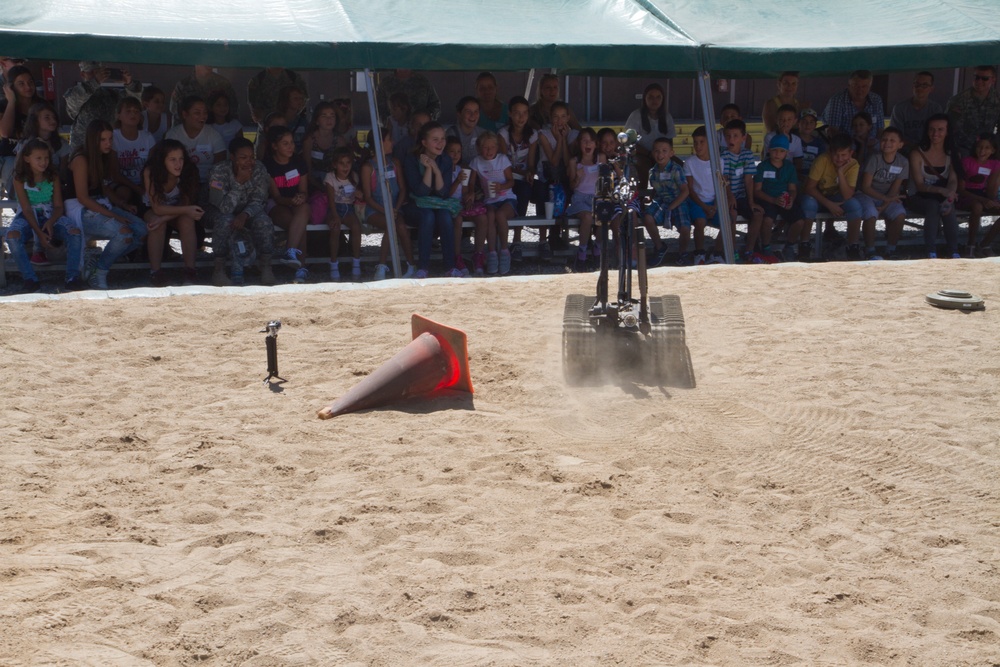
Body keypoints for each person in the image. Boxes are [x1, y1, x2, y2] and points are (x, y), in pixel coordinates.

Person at [64, 119, 148, 290]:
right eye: (103, 140)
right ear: (93, 140)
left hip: (99, 203)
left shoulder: (103, 157)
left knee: (142, 230)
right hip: (79, 208)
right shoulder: (81, 159)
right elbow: (82, 197)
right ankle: (100, 272)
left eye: (110, 139)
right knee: (124, 233)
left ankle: (98, 263)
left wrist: (123, 205)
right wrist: (116, 216)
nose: (108, 143)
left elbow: (102, 187)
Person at [5, 139, 84, 291]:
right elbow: (27, 209)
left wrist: (51, 221)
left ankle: (72, 277)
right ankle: (30, 278)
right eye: (39, 158)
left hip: (50, 214)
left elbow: (59, 206)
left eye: (46, 158)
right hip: (28, 216)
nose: (43, 162)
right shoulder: (19, 178)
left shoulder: (52, 176)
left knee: (75, 233)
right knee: (12, 237)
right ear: (27, 158)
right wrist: (39, 233)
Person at [206, 136, 276, 286]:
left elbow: (259, 200)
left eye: (251, 157)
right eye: (243, 158)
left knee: (263, 222)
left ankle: (265, 266)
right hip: (219, 211)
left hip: (248, 211)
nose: (249, 162)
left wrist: (244, 215)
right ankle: (219, 270)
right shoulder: (219, 171)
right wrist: (238, 183)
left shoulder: (259, 169)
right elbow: (223, 207)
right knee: (225, 220)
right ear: (232, 157)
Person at [402, 121, 463, 279]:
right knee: (427, 216)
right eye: (435, 139)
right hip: (414, 205)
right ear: (424, 142)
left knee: (445, 215)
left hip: (438, 203)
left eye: (442, 138)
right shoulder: (411, 160)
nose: (440, 143)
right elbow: (421, 192)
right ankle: (423, 268)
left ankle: (450, 267)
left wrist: (435, 168)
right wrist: (429, 168)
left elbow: (443, 193)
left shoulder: (446, 160)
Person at [142, 139, 202, 286]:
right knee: (156, 223)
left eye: (181, 159)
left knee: (186, 221)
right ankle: (155, 272)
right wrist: (162, 219)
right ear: (162, 161)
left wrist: (165, 218)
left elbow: (186, 203)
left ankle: (190, 270)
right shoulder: (150, 172)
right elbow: (157, 208)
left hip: (179, 209)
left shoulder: (189, 171)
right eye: (172, 159)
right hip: (150, 208)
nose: (178, 164)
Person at [360, 125, 416, 280]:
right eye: (389, 139)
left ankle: (412, 266)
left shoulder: (395, 163)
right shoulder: (368, 167)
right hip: (375, 209)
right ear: (379, 143)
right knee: (391, 225)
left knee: (402, 227)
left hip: (395, 208)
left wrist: (395, 208)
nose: (392, 142)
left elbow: (403, 189)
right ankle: (381, 266)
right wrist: (387, 211)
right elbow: (368, 197)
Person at [796, 134, 863, 262]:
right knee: (808, 204)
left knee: (854, 205)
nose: (839, 159)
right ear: (830, 152)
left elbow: (848, 195)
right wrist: (829, 204)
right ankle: (804, 245)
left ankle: (853, 247)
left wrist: (840, 172)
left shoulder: (854, 165)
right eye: (836, 155)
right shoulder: (822, 160)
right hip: (818, 196)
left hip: (837, 197)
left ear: (851, 153)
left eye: (843, 155)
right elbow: (809, 188)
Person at [262, 126, 311, 283]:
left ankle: (290, 251)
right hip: (277, 204)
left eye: (291, 142)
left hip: (296, 202)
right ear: (274, 146)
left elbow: (304, 190)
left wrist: (300, 197)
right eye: (285, 143)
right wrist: (291, 200)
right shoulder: (267, 165)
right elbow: (276, 197)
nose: (291, 147)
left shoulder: (298, 162)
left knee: (304, 209)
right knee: (297, 224)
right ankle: (301, 268)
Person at [908, 114, 961, 259]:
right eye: (932, 129)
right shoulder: (917, 153)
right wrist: (941, 190)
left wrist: (949, 198)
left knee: (947, 208)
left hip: (942, 195)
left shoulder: (952, 154)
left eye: (940, 129)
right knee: (932, 205)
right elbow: (919, 185)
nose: (935, 134)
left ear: (947, 132)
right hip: (918, 196)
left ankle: (954, 250)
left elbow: (953, 180)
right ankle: (930, 250)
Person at [855, 126, 909, 260]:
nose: (888, 143)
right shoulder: (874, 159)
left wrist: (884, 205)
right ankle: (870, 250)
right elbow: (865, 186)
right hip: (866, 195)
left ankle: (891, 249)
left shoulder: (903, 162)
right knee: (871, 213)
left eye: (892, 140)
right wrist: (883, 200)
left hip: (887, 197)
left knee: (900, 213)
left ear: (900, 145)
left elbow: (895, 188)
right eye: (884, 139)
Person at [64, 62, 143, 149]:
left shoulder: (111, 94)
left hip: (108, 147)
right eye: (93, 72)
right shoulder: (76, 93)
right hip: (83, 149)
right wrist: (95, 82)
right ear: (83, 74)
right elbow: (75, 99)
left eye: (99, 72)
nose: (97, 75)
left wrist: (129, 84)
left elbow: (134, 102)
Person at [534, 101, 579, 252]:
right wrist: (559, 140)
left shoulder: (573, 134)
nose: (559, 121)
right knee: (543, 196)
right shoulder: (543, 134)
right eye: (555, 117)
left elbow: (567, 161)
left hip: (563, 176)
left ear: (568, 118)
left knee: (566, 193)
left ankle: (556, 234)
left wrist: (564, 139)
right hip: (546, 176)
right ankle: (542, 239)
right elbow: (553, 161)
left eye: (563, 117)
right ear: (550, 118)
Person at [497, 96, 537, 260]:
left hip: (522, 178)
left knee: (526, 190)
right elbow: (502, 162)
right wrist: (523, 173)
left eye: (524, 113)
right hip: (505, 176)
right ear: (510, 114)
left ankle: (517, 239)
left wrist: (529, 172)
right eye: (517, 113)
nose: (521, 117)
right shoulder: (503, 134)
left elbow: (531, 163)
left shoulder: (533, 135)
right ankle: (502, 242)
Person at [471, 131, 517, 275]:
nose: (489, 151)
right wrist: (472, 193)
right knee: (490, 215)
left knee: (500, 215)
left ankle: (504, 250)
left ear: (497, 148)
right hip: (490, 200)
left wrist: (501, 187)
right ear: (479, 148)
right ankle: (491, 252)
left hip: (507, 198)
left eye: (492, 147)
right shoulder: (476, 162)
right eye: (485, 147)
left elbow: (511, 181)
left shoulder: (502, 160)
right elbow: (471, 184)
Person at [750, 134, 799, 263]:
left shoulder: (789, 167)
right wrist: (773, 200)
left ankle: (789, 246)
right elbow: (757, 191)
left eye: (782, 151)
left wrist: (791, 200)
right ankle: (766, 247)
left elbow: (793, 189)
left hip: (784, 199)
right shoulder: (762, 166)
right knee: (767, 220)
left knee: (799, 220)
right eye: (774, 150)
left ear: (787, 153)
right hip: (766, 199)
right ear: (769, 150)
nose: (778, 154)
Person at [444, 136, 486, 276]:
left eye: (458, 152)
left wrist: (469, 197)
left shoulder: (463, 169)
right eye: (452, 151)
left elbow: (465, 190)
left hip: (460, 203)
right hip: (448, 204)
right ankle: (457, 256)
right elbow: (444, 193)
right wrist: (457, 181)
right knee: (458, 220)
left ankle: (478, 254)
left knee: (482, 217)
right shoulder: (443, 169)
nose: (456, 155)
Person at [720, 119, 761, 263]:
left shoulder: (748, 155)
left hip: (742, 196)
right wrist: (730, 196)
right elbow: (723, 179)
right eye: (728, 136)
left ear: (744, 138)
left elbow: (748, 179)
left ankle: (749, 250)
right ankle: (733, 251)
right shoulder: (723, 155)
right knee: (732, 213)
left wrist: (751, 201)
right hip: (727, 196)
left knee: (757, 213)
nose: (731, 139)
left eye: (735, 136)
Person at [165, 96, 227, 189]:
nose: (202, 116)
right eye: (197, 113)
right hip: (181, 183)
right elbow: (167, 165)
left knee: (222, 187)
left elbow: (221, 166)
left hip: (210, 182)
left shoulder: (213, 134)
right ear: (185, 114)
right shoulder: (173, 135)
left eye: (205, 112)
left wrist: (214, 187)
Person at [640, 136, 685, 267]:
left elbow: (685, 191)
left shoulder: (676, 169)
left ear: (672, 153)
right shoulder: (652, 172)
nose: (660, 155)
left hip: (678, 201)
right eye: (657, 151)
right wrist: (651, 197)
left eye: (664, 151)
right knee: (647, 217)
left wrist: (672, 206)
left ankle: (683, 253)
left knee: (685, 226)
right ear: (653, 153)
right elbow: (655, 188)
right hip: (661, 202)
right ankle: (660, 247)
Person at [0, 64, 45, 194]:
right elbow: (5, 132)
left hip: (37, 156)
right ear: (12, 87)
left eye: (30, 82)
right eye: (21, 84)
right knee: (12, 168)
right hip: (10, 157)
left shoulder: (41, 106)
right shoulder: (3, 105)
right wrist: (12, 102)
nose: (28, 87)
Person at [322, 147, 363, 282]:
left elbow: (359, 196)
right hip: (334, 208)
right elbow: (330, 199)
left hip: (349, 209)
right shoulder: (330, 177)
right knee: (335, 228)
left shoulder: (355, 177)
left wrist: (359, 195)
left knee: (357, 227)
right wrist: (335, 216)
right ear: (335, 164)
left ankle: (356, 262)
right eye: (341, 163)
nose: (345, 167)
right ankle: (334, 263)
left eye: (348, 163)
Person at [624, 83, 677, 189]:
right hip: (642, 154)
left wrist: (664, 155)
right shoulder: (636, 116)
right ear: (645, 99)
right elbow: (630, 143)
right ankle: (642, 198)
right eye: (651, 97)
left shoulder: (667, 117)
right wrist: (649, 154)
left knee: (680, 166)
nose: (655, 100)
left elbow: (670, 141)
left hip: (662, 154)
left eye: (658, 97)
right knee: (644, 166)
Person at [683, 126, 720, 266]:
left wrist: (715, 206)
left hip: (715, 202)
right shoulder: (689, 162)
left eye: (702, 142)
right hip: (697, 201)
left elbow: (721, 185)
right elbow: (690, 189)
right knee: (699, 221)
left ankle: (718, 251)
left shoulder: (719, 161)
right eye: (695, 142)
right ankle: (699, 252)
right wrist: (704, 206)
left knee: (728, 221)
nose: (698, 146)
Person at [958, 133, 1000, 256]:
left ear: (993, 150)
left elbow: (991, 188)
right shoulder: (966, 162)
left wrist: (993, 201)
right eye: (980, 147)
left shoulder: (995, 164)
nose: (982, 151)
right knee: (977, 207)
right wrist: (983, 200)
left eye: (987, 148)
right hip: (967, 196)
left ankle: (984, 244)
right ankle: (970, 245)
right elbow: (960, 189)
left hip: (983, 195)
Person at [946, 65, 1000, 157]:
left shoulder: (997, 100)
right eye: (976, 77)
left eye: (984, 78)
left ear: (993, 80)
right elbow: (949, 127)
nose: (979, 81)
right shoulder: (958, 100)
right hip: (962, 149)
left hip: (987, 152)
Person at [111, 96, 156, 207]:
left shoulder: (148, 137)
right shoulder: (113, 137)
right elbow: (115, 174)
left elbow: (153, 167)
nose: (133, 114)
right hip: (121, 184)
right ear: (118, 115)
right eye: (128, 111)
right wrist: (137, 189)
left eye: (136, 111)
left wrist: (146, 186)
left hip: (145, 182)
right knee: (124, 193)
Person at [821, 70, 884, 139]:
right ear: (849, 85)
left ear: (870, 87)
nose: (860, 90)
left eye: (864, 86)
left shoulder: (876, 99)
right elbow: (833, 130)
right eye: (856, 86)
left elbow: (880, 129)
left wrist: (876, 146)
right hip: (845, 145)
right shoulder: (837, 100)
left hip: (872, 146)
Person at [889, 71, 943, 150]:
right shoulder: (899, 108)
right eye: (917, 84)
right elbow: (895, 136)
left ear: (931, 89)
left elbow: (938, 135)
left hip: (928, 151)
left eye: (924, 85)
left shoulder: (935, 109)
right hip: (903, 152)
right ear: (913, 86)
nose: (920, 88)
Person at [169, 65, 238, 124]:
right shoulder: (183, 85)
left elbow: (233, 110)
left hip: (218, 133)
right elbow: (176, 114)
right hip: (190, 134)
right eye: (204, 60)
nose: (209, 64)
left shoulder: (223, 84)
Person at [376, 69, 440, 121]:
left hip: (420, 132)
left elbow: (435, 105)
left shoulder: (423, 81)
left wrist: (426, 121)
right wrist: (388, 123)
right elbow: (378, 108)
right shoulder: (386, 83)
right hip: (394, 132)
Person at [447, 96, 486, 164]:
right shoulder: (451, 134)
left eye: (476, 111)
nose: (473, 115)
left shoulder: (483, 134)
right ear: (459, 114)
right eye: (468, 112)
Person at [275, 85, 310, 151]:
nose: (299, 101)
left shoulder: (303, 122)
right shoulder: (276, 121)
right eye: (295, 99)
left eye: (301, 98)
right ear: (286, 100)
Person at [796, 108, 827, 180]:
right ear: (798, 123)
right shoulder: (792, 140)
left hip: (813, 179)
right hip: (794, 178)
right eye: (804, 121)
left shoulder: (820, 143)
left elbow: (821, 164)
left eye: (811, 122)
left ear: (815, 125)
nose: (808, 125)